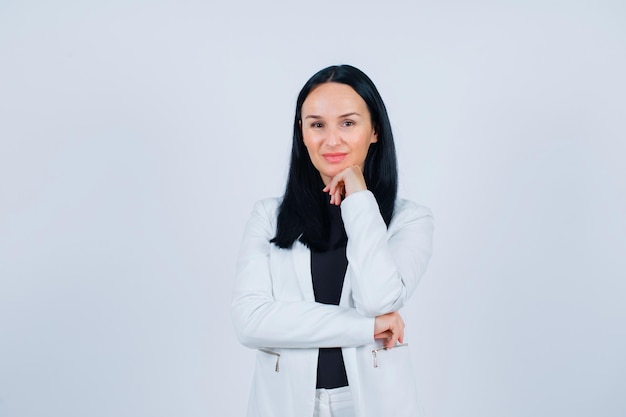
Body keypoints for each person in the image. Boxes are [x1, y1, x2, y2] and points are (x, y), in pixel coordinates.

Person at [231, 64, 434, 417]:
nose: (332, 140)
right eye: (317, 124)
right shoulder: (268, 216)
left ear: (374, 131)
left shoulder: (409, 219)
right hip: (285, 404)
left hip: (371, 404)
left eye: (348, 123)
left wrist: (359, 198)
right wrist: (365, 328)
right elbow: (251, 321)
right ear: (302, 132)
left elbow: (377, 298)